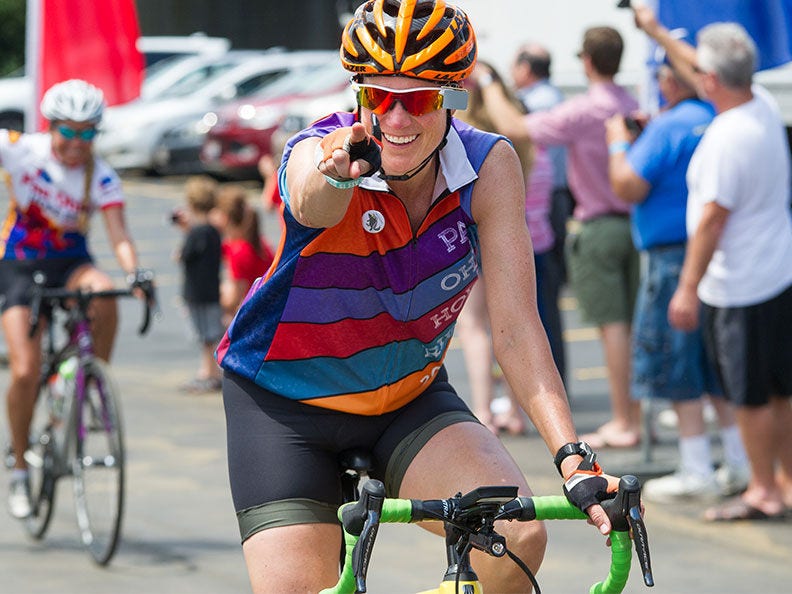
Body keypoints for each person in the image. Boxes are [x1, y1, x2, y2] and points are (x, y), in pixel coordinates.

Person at [216, 2, 622, 592]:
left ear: (453, 99)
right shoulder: (319, 149)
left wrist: (572, 456)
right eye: (380, 97)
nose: (398, 117)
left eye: (422, 99)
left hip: (406, 399)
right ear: (358, 97)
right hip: (284, 405)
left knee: (517, 539)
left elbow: (514, 326)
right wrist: (335, 174)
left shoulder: (488, 167)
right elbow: (309, 200)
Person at [636, 6, 792, 521]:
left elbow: (710, 222)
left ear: (710, 80)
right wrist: (657, 31)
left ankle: (763, 489)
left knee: (748, 395)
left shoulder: (726, 137)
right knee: (779, 388)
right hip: (775, 270)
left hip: (740, 283)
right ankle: (784, 480)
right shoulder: (760, 106)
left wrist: (686, 288)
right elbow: (704, 67)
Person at [477, 26, 642, 449]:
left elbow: (516, 126)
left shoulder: (586, 108)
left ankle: (625, 419)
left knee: (612, 326)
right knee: (628, 324)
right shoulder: (629, 101)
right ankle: (631, 416)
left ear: (586, 61)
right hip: (632, 222)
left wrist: (490, 82)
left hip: (599, 224)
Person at [0, 79, 148, 519]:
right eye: (69, 131)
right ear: (51, 127)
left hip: (71, 263)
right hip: (20, 266)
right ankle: (21, 467)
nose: (77, 143)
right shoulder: (21, 149)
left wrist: (134, 272)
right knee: (25, 370)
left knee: (104, 292)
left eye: (88, 133)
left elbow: (117, 232)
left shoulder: (100, 174)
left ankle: (90, 380)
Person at [605, 60, 749, 502]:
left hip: (671, 259)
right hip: (711, 255)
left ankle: (697, 466)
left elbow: (628, 185)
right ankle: (739, 460)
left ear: (669, 80)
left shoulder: (669, 126)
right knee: (713, 365)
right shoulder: (716, 119)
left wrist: (617, 145)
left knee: (674, 361)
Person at [454, 62, 554, 436]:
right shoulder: (510, 141)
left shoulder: (461, 138)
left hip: (468, 231)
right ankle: (514, 411)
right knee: (513, 325)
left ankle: (483, 410)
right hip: (514, 231)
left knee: (475, 326)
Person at [511, 44, 570, 385]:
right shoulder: (541, 158)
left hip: (524, 247)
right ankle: (554, 383)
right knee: (545, 318)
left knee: (523, 322)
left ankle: (536, 389)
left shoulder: (517, 160)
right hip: (543, 241)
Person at [174, 175, 223, 394]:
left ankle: (208, 373)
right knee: (210, 332)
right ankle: (211, 372)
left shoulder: (196, 232)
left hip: (196, 291)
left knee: (204, 335)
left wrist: (184, 236)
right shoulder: (212, 230)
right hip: (211, 289)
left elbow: (183, 256)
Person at [210, 183, 274, 326]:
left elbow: (232, 299)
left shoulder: (238, 251)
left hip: (251, 321)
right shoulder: (258, 243)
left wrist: (208, 293)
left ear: (224, 217)